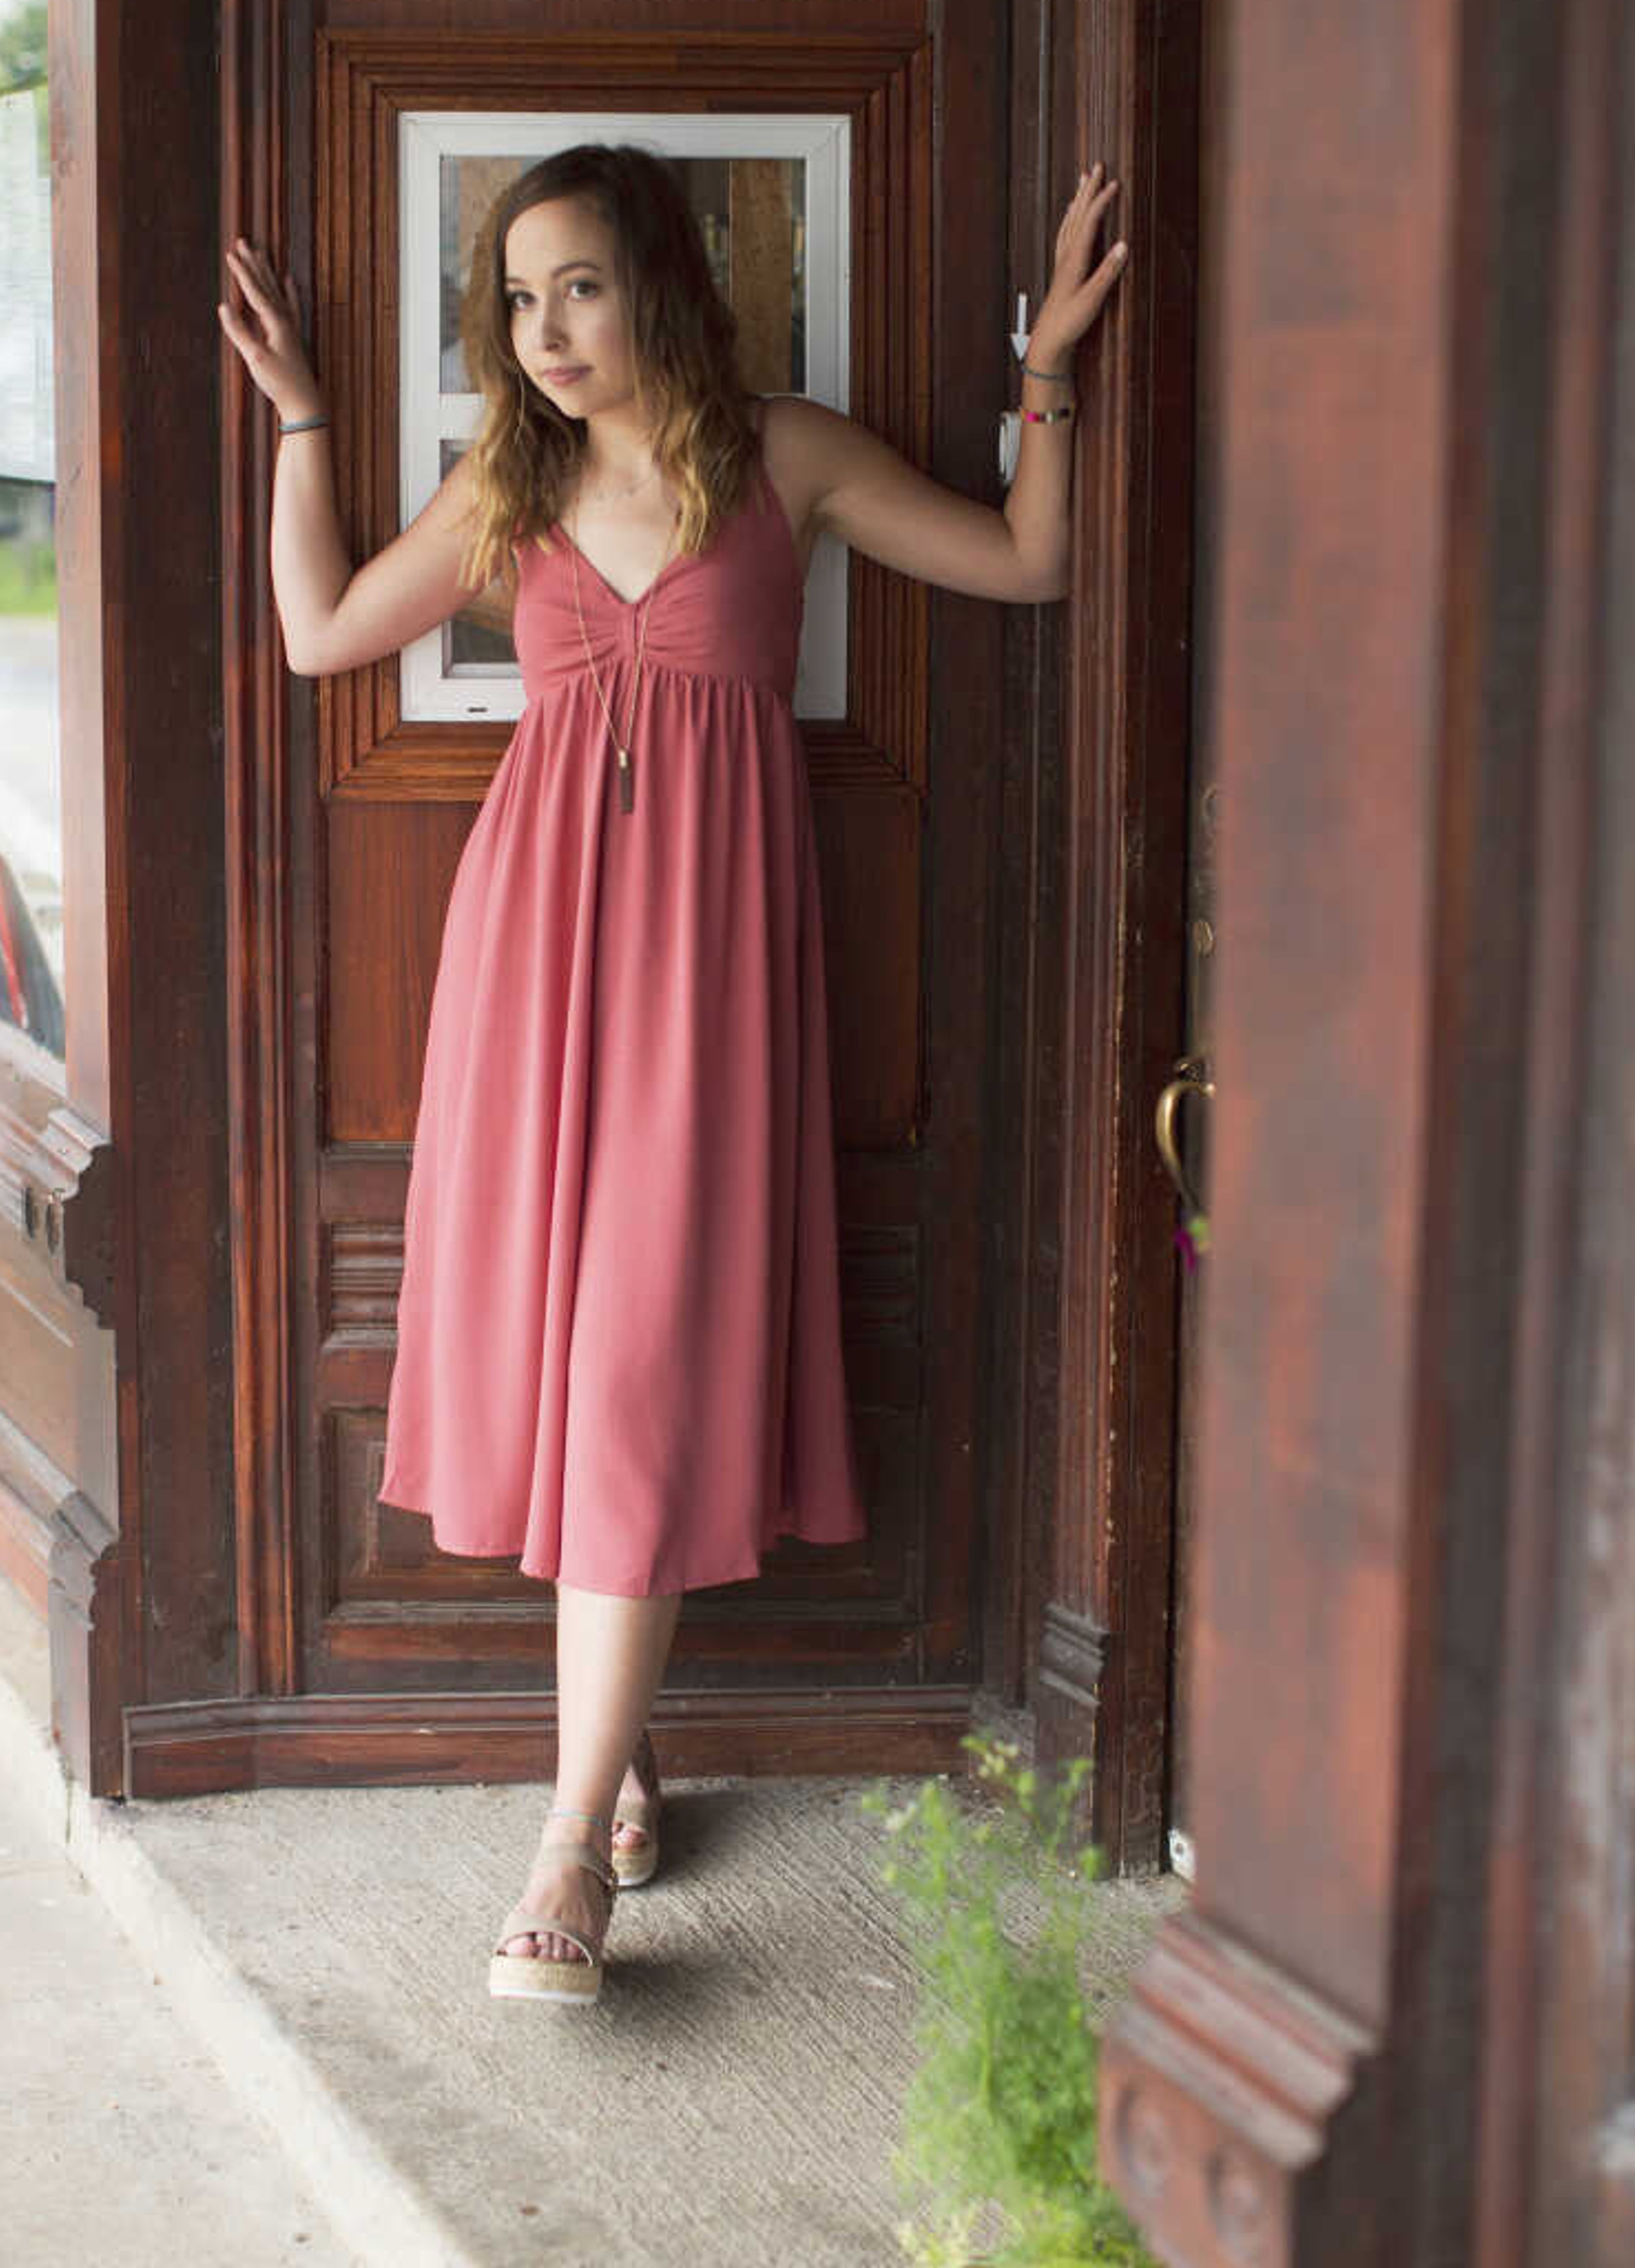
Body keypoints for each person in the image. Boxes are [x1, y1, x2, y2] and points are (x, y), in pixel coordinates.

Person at [217, 144, 1127, 2007]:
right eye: (520, 297)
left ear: (663, 285)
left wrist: (1052, 372)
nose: (546, 332)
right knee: (555, 1349)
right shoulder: (510, 479)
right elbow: (321, 638)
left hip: (709, 982)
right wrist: (305, 423)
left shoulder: (789, 456)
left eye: (580, 287)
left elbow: (1032, 562)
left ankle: (569, 1849)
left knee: (634, 1356)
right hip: (530, 965)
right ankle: (613, 1749)